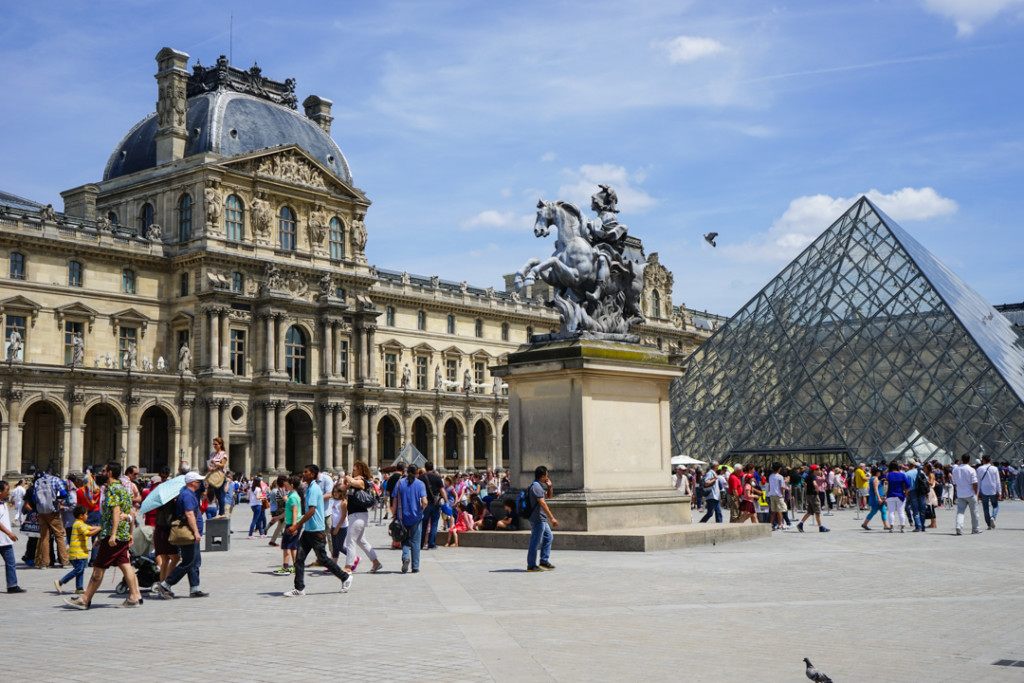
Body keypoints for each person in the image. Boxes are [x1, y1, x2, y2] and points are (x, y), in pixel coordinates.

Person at [64, 462, 143, 609]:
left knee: (98, 568)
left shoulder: (112, 489)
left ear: (110, 473)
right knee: (126, 566)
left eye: (104, 470)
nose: (101, 473)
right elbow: (130, 512)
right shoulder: (124, 489)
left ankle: (85, 599)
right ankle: (134, 596)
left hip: (114, 536)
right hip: (122, 534)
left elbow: (115, 512)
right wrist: (127, 533)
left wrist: (111, 535)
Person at [282, 464, 352, 597]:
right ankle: (299, 588)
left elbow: (311, 511)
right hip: (309, 529)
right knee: (299, 558)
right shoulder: (308, 488)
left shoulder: (314, 489)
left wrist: (296, 526)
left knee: (323, 558)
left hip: (316, 530)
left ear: (312, 474)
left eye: (306, 472)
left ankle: (345, 577)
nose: (303, 473)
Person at [153, 472, 208, 599]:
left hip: (190, 532)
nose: (200, 483)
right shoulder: (188, 495)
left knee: (194, 561)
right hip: (187, 533)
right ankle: (166, 584)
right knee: (189, 562)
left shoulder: (189, 493)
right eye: (198, 481)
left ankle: (195, 588)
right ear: (191, 482)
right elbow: (189, 514)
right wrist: (196, 532)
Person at [342, 461, 382, 575]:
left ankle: (348, 566)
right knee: (361, 540)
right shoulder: (354, 482)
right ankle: (375, 562)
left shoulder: (362, 482)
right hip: (355, 514)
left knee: (350, 539)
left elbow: (350, 481)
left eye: (354, 469)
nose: (353, 471)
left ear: (360, 470)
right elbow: (342, 488)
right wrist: (349, 479)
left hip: (358, 514)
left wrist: (351, 478)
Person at [53, 505, 99, 595]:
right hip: (77, 553)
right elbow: (88, 533)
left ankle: (79, 587)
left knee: (80, 570)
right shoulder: (78, 524)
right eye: (86, 514)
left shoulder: (81, 524)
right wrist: (100, 529)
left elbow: (91, 528)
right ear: (81, 516)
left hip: (81, 553)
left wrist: (101, 527)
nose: (87, 516)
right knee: (78, 570)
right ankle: (61, 581)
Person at [392, 465, 427, 573]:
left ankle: (406, 557)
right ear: (417, 473)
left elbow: (394, 501)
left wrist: (394, 514)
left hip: (402, 516)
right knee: (416, 542)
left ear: (406, 472)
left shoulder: (399, 483)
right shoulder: (420, 484)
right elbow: (425, 502)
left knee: (404, 539)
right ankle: (415, 567)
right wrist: (421, 509)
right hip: (416, 516)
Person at [33, 469, 70, 569]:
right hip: (53, 512)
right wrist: (58, 500)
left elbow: (34, 498)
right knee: (59, 536)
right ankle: (65, 561)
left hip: (41, 512)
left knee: (45, 537)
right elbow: (64, 494)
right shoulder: (56, 480)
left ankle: (45, 563)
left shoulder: (38, 481)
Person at [526, 466, 558, 572]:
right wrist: (552, 518)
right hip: (537, 519)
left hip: (541, 519)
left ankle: (544, 561)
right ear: (543, 476)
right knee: (535, 541)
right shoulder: (536, 487)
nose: (547, 478)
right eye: (547, 476)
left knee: (548, 537)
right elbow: (543, 503)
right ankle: (531, 565)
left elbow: (548, 497)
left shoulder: (539, 486)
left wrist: (549, 487)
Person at [0, 481, 26, 593]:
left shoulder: (3, 503)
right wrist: (9, 533)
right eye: (6, 490)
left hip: (5, 540)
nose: (9, 492)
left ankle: (12, 585)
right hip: (4, 537)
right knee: (10, 562)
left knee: (11, 562)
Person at [273, 475, 301, 576]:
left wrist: (293, 526)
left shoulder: (293, 497)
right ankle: (295, 567)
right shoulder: (292, 495)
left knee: (286, 546)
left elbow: (295, 511)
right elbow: (288, 511)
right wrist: (278, 517)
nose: (286, 485)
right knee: (293, 547)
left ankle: (285, 567)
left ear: (291, 485)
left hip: (292, 524)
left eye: (287, 484)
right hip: (293, 523)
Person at [951, 454, 981, 535]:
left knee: (960, 512)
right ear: (969, 460)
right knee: (974, 512)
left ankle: (958, 526)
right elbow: (975, 483)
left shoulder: (955, 470)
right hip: (970, 494)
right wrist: (976, 492)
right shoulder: (971, 470)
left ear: (961, 460)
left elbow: (954, 483)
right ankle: (975, 529)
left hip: (960, 494)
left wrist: (958, 489)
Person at [419, 461, 445, 551]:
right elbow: (442, 490)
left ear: (425, 468)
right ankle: (431, 544)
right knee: (434, 524)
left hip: (425, 503)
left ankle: (421, 544)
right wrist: (446, 500)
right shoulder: (437, 477)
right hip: (435, 503)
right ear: (432, 468)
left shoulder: (421, 477)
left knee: (423, 525)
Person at [796, 465, 830, 532]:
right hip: (813, 495)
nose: (819, 471)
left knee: (810, 512)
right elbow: (814, 483)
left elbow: (803, 482)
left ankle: (801, 524)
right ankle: (821, 527)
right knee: (817, 511)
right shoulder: (813, 476)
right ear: (814, 470)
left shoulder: (808, 476)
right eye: (817, 469)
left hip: (808, 495)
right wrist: (817, 489)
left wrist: (807, 487)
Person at [885, 462, 911, 533]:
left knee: (891, 512)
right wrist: (906, 492)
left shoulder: (887, 475)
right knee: (901, 512)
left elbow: (882, 483)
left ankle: (891, 527)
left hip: (890, 495)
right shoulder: (902, 475)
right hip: (900, 495)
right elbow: (908, 485)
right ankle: (902, 527)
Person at [977, 455, 1001, 530]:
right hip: (993, 489)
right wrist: (999, 492)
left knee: (985, 507)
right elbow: (997, 481)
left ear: (983, 460)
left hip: (984, 489)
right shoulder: (995, 469)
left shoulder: (979, 469)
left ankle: (988, 523)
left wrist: (977, 493)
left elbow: (978, 482)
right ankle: (993, 517)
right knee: (995, 505)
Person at [767, 463, 788, 530]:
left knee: (773, 510)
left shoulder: (770, 476)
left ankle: (771, 524)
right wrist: (783, 495)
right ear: (779, 469)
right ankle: (780, 524)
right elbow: (782, 487)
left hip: (772, 494)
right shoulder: (780, 477)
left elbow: (770, 486)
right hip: (778, 495)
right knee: (780, 510)